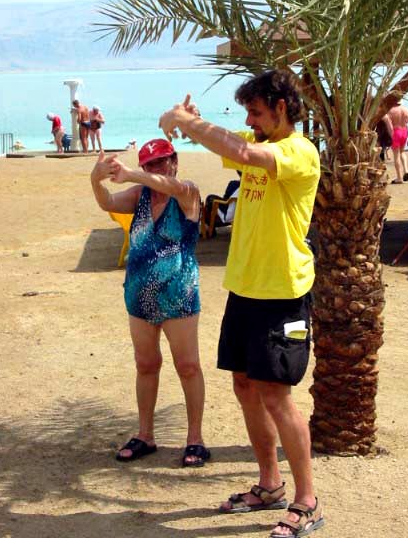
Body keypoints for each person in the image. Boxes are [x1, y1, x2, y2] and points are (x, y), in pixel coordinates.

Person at [159, 69, 323, 538]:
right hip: (245, 288)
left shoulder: (298, 152)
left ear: (282, 108)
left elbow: (246, 153)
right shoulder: (255, 141)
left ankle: (307, 501)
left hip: (282, 293)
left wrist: (185, 122)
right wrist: (194, 121)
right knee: (245, 387)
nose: (249, 121)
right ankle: (270, 485)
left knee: (276, 395)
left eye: (256, 111)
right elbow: (232, 145)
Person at [90, 139, 210, 467]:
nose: (157, 168)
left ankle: (195, 439)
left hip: (179, 295)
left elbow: (172, 186)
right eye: (150, 164)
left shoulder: (187, 192)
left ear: (174, 161)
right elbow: (107, 202)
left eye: (162, 161)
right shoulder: (139, 196)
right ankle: (145, 435)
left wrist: (130, 173)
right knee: (145, 364)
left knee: (188, 366)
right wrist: (95, 179)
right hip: (139, 296)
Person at [384, 96, 408, 183]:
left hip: (396, 132)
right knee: (402, 152)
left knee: (396, 155)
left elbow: (389, 127)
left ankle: (399, 177)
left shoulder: (390, 111)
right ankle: (406, 170)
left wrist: (391, 136)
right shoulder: (406, 110)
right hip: (405, 131)